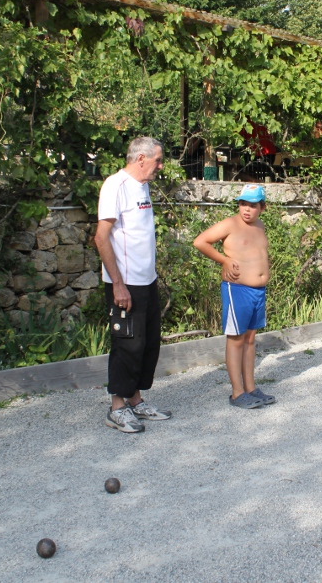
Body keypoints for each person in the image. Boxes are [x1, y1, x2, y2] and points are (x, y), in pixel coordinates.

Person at [94, 136, 172, 433]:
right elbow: (101, 238)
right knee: (127, 344)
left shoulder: (143, 186)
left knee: (148, 343)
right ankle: (117, 407)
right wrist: (118, 285)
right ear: (141, 159)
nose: (160, 166)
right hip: (125, 282)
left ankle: (136, 400)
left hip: (146, 279)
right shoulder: (116, 185)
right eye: (158, 160)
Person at [192, 184, 274, 409]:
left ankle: (251, 388)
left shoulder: (260, 226)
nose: (246, 209)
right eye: (243, 204)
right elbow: (200, 241)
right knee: (236, 339)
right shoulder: (230, 224)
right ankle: (237, 393)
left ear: (262, 207)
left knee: (250, 339)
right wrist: (224, 260)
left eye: (252, 205)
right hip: (238, 289)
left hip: (258, 291)